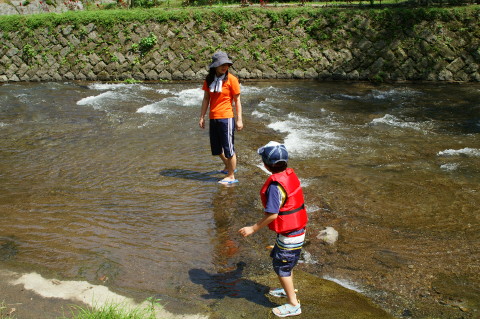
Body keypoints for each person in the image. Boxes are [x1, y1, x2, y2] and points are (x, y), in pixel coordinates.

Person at [238, 141, 308, 318]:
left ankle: (293, 304)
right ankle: (287, 289)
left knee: (282, 267)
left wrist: (253, 228)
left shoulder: (275, 187)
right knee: (285, 261)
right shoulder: (289, 175)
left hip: (291, 235)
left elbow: (273, 215)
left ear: (266, 165)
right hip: (297, 231)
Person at [199, 51, 243, 185]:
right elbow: (206, 98)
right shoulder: (209, 79)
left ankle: (231, 175)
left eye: (227, 64)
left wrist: (239, 119)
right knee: (216, 149)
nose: (225, 67)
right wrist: (202, 116)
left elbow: (237, 100)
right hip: (214, 117)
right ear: (215, 66)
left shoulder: (232, 79)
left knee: (229, 148)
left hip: (227, 117)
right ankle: (229, 166)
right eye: (221, 65)